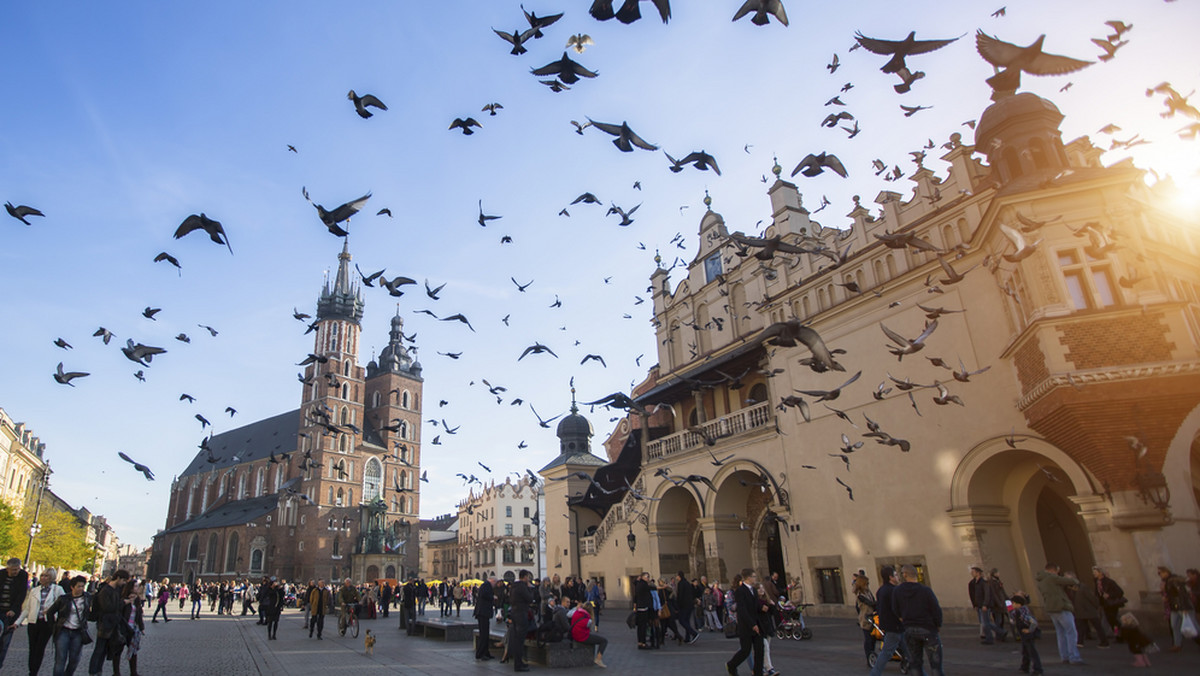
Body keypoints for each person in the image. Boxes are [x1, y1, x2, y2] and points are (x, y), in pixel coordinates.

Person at [892, 564, 943, 676]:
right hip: (927, 628)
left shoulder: (898, 591)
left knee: (915, 663)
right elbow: (935, 609)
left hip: (909, 628)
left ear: (905, 575)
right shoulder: (925, 590)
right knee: (935, 664)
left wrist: (902, 618)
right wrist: (938, 624)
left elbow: (895, 609)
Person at [17, 567, 64, 676]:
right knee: (32, 648)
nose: (43, 578)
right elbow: (27, 609)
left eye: (46, 576)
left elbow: (63, 606)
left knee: (40, 647)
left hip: (47, 623)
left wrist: (52, 611)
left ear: (51, 577)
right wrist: (17, 622)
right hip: (33, 622)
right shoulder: (35, 590)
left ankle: (33, 671)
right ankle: (31, 670)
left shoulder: (57, 590)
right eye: (42, 575)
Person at [1035, 563, 1083, 664]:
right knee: (1071, 632)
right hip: (1061, 607)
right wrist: (1068, 579)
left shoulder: (1041, 580)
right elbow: (1073, 581)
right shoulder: (1052, 578)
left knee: (1061, 633)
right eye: (1057, 572)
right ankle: (1074, 656)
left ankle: (1064, 656)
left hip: (1051, 608)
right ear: (1053, 571)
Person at [87, 569, 130, 676]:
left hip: (112, 623)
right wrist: (123, 603)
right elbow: (107, 607)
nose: (124, 583)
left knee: (104, 650)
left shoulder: (116, 589)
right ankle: (93, 672)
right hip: (104, 623)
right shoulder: (106, 590)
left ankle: (98, 671)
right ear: (118, 578)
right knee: (99, 649)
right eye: (123, 580)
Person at [47, 575, 90, 676]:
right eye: (79, 586)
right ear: (72, 587)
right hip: (64, 630)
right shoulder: (64, 598)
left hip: (78, 631)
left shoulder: (87, 598)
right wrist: (53, 626)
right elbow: (50, 612)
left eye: (83, 586)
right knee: (60, 659)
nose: (81, 589)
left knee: (75, 659)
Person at [869, 566, 908, 676]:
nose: (898, 577)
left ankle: (919, 671)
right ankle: (874, 673)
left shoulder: (881, 590)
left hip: (891, 626)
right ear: (890, 577)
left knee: (908, 651)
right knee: (887, 653)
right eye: (896, 575)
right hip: (895, 626)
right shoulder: (893, 590)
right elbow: (897, 608)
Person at [726, 568, 764, 676]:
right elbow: (742, 610)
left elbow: (755, 606)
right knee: (745, 650)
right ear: (748, 578)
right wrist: (752, 624)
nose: (755, 578)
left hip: (757, 624)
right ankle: (731, 665)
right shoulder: (740, 591)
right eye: (754, 576)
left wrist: (764, 607)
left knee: (760, 650)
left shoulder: (753, 590)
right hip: (746, 626)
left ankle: (758, 672)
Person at [1158, 565, 1196, 652]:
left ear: (1165, 572)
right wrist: (1167, 598)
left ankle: (1179, 644)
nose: (1159, 575)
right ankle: (1177, 644)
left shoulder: (1173, 580)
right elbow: (1173, 594)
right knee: (1174, 625)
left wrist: (1184, 607)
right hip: (1174, 606)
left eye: (1160, 573)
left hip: (1182, 606)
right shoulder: (1167, 581)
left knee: (1193, 625)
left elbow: (1181, 594)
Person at [0, 557, 29, 668]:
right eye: (13, 569)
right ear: (8, 568)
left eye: (17, 569)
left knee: (4, 643)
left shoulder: (23, 575)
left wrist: (14, 609)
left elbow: (21, 594)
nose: (15, 572)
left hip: (11, 613)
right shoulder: (1, 574)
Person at [1070, 571, 1108, 648]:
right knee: (1080, 627)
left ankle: (1104, 642)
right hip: (1079, 611)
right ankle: (1080, 642)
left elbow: (1092, 598)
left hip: (1089, 610)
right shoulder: (1071, 588)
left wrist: (1096, 606)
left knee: (1098, 627)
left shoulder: (1083, 587)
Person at [507, 569, 534, 673]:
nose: (529, 579)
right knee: (520, 640)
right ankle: (518, 664)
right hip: (521, 614)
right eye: (528, 577)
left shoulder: (514, 586)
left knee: (517, 638)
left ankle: (519, 662)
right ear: (525, 577)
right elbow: (530, 599)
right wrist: (530, 588)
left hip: (515, 613)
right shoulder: (522, 587)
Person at [1009, 593, 1042, 675]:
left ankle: (1038, 669)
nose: (1012, 604)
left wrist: (1029, 630)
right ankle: (1025, 667)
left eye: (1013, 603)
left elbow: (1033, 622)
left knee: (1031, 651)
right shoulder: (1016, 611)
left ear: (1018, 604)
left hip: (1028, 635)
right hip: (1023, 635)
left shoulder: (1023, 612)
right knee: (1026, 651)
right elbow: (1010, 612)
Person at [1092, 567, 1125, 643]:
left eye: (1095, 572)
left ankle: (1120, 635)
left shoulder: (1109, 582)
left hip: (1112, 604)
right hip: (1105, 605)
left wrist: (1110, 595)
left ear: (1101, 573)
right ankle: (1117, 635)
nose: (1094, 574)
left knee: (1114, 621)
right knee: (1111, 621)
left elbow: (1120, 592)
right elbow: (1097, 594)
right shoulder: (1097, 582)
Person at [571, 601, 608, 668]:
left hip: (574, 635)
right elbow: (588, 627)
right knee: (604, 641)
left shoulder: (577, 612)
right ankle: (598, 659)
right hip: (582, 637)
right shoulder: (587, 618)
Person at [758, 578, 782, 676]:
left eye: (762, 589)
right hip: (760, 628)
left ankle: (762, 667)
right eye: (759, 589)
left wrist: (772, 605)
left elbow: (773, 613)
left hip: (768, 627)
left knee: (765, 649)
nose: (762, 590)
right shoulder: (755, 602)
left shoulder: (767, 600)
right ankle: (769, 668)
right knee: (765, 648)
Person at [854, 573, 877, 663]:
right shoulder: (860, 595)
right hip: (865, 618)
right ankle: (869, 656)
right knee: (868, 638)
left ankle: (872, 653)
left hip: (872, 616)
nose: (868, 585)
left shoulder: (868, 592)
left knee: (873, 638)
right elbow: (870, 603)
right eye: (866, 583)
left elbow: (873, 601)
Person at [474, 575, 496, 661]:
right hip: (483, 613)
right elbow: (484, 595)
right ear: (492, 581)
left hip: (483, 613)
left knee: (485, 634)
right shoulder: (487, 585)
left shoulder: (485, 585)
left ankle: (486, 653)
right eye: (495, 583)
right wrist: (493, 597)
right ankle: (480, 654)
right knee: (484, 634)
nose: (495, 585)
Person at [675, 571, 699, 644]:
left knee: (682, 620)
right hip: (689, 604)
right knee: (687, 620)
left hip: (684, 605)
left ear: (679, 576)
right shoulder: (687, 583)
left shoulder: (681, 583)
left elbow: (680, 595)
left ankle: (693, 633)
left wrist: (678, 606)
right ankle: (687, 637)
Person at [633, 572, 653, 649]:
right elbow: (652, 588)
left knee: (640, 627)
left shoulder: (638, 584)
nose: (648, 578)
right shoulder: (643, 584)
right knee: (643, 626)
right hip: (643, 608)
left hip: (639, 607)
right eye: (647, 577)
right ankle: (643, 643)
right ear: (643, 577)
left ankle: (640, 642)